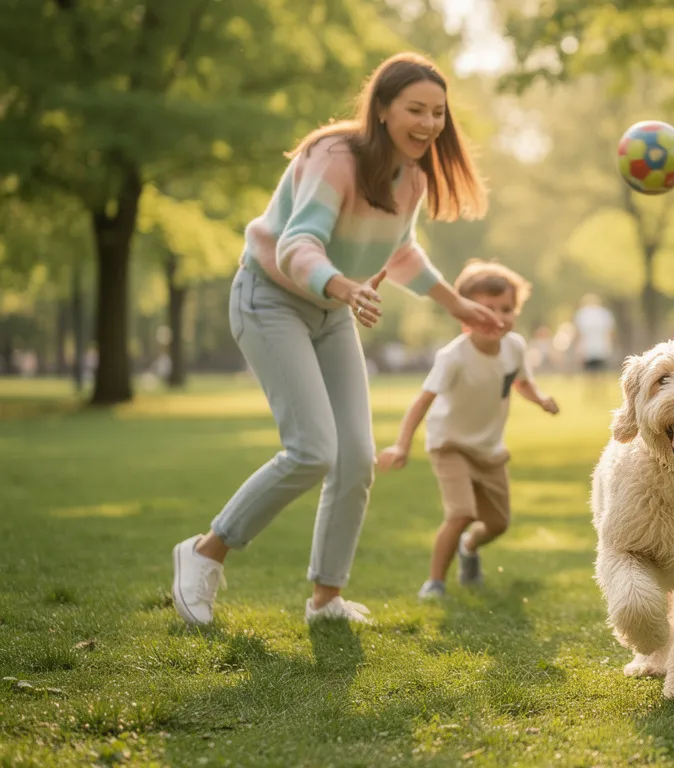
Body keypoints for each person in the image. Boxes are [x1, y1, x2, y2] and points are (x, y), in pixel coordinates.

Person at [171, 53, 502, 628]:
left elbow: (398, 249)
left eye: (438, 114)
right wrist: (344, 285)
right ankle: (205, 552)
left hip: (331, 310)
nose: (428, 124)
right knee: (312, 450)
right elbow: (298, 243)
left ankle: (326, 599)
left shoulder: (413, 176)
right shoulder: (335, 158)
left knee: (354, 459)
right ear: (381, 108)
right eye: (415, 110)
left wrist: (457, 305)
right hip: (271, 298)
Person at [376, 260, 559, 598]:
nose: (498, 317)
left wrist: (542, 399)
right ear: (463, 316)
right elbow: (421, 403)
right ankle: (435, 582)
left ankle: (469, 547)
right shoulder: (453, 357)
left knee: (498, 523)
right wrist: (402, 445)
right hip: (450, 445)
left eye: (506, 308)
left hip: (489, 448)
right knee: (461, 513)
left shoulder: (515, 346)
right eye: (486, 308)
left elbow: (520, 382)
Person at [573, 294, 616, 373]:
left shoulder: (582, 314)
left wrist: (578, 346)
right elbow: (609, 331)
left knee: (591, 369)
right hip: (597, 345)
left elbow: (578, 332)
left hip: (590, 345)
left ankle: (592, 383)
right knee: (599, 368)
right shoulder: (604, 314)